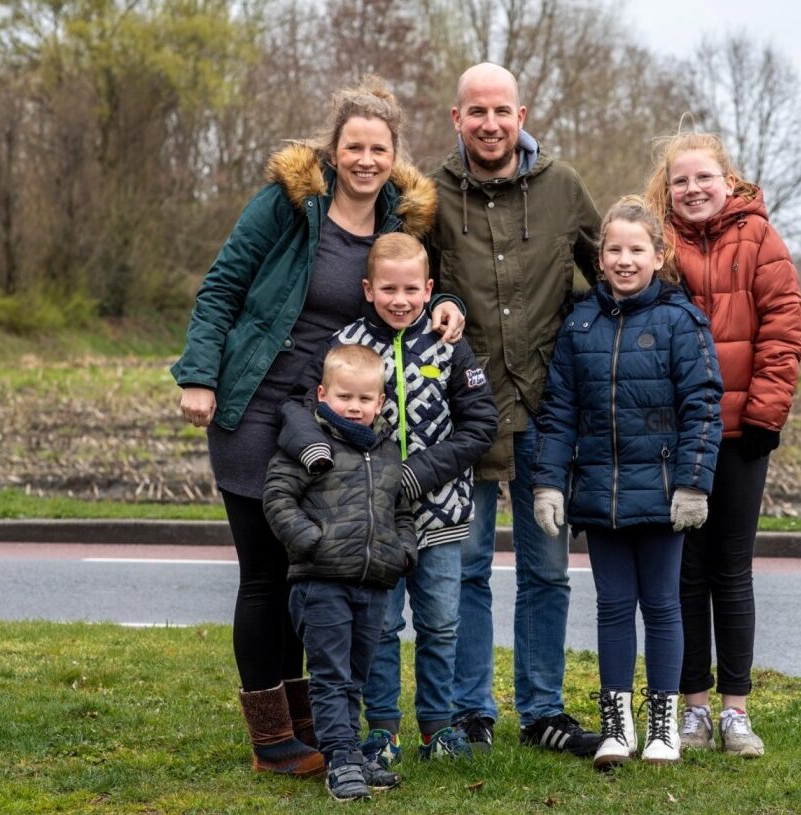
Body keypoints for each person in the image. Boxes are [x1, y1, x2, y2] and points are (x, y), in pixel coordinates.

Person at [171, 75, 435, 775]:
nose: (366, 159)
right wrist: (198, 373)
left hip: (329, 419)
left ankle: (308, 722)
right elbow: (223, 285)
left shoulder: (397, 224)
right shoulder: (289, 206)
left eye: (379, 148)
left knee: (307, 571)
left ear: (394, 154)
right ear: (334, 147)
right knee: (264, 572)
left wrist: (450, 307)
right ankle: (270, 737)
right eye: (354, 145)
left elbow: (412, 285)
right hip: (257, 402)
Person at [424, 62, 603, 757]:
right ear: (456, 119)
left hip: (548, 413)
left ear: (521, 115)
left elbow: (613, 269)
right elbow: (403, 282)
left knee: (547, 571)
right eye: (478, 113)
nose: (491, 124)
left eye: (502, 111)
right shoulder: (429, 195)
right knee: (465, 570)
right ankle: (472, 711)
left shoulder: (563, 188)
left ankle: (543, 710)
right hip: (462, 415)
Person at [275, 232, 498, 765]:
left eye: (411, 290)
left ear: (429, 289)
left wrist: (416, 474)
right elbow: (301, 406)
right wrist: (316, 455)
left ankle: (438, 726)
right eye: (388, 289)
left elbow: (481, 422)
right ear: (368, 289)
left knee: (441, 622)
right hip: (368, 523)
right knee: (380, 628)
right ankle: (382, 729)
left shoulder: (448, 344)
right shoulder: (345, 343)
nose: (401, 300)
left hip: (440, 511)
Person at [532, 196, 723, 769]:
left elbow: (703, 406)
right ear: (600, 256)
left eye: (636, 249)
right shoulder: (580, 324)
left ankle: (663, 726)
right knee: (613, 607)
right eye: (613, 249)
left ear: (657, 255)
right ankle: (619, 728)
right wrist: (549, 482)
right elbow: (560, 410)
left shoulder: (680, 321)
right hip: (600, 495)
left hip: (664, 496)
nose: (623, 260)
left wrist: (693, 484)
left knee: (663, 605)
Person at [644, 131, 801, 758]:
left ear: (727, 179)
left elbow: (784, 325)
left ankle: (736, 711)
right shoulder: (657, 242)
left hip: (741, 432)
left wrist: (766, 415)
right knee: (684, 574)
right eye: (681, 180)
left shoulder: (760, 237)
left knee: (731, 571)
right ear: (668, 187)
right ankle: (694, 710)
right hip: (673, 435)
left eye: (703, 177)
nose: (693, 189)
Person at [263, 344, 417, 801]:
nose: (355, 406)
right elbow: (277, 497)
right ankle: (340, 762)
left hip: (373, 584)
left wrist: (402, 549)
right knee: (330, 676)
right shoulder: (310, 446)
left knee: (355, 676)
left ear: (380, 401)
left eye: (365, 399)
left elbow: (401, 509)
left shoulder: (387, 451)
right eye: (345, 397)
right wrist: (311, 541)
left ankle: (349, 752)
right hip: (321, 582)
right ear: (322, 395)